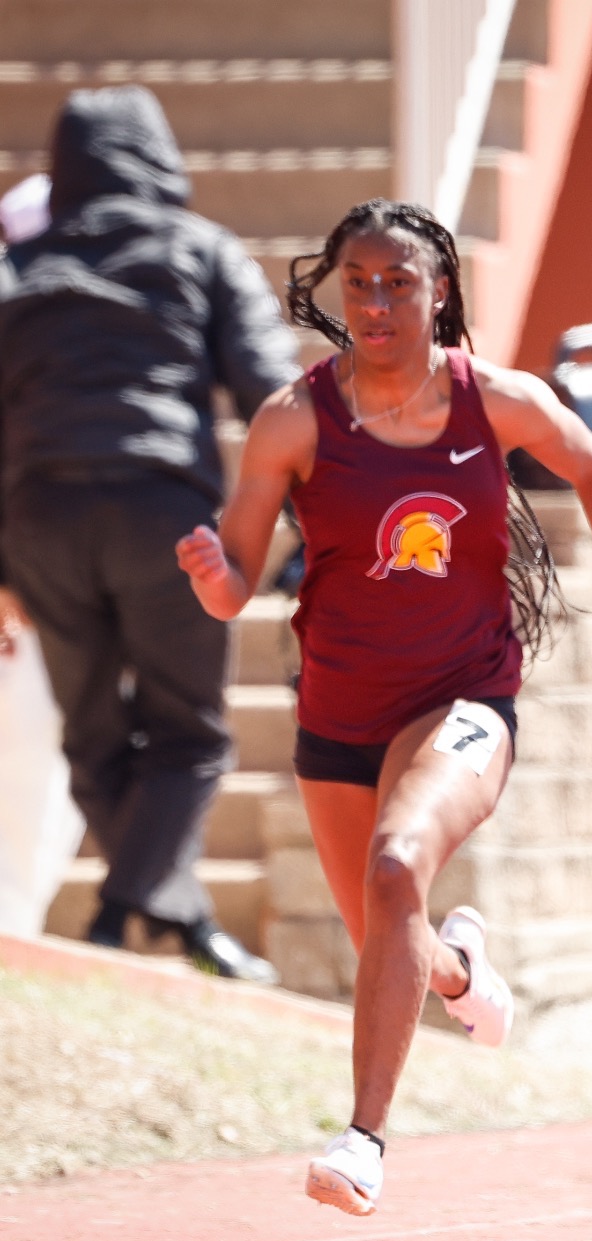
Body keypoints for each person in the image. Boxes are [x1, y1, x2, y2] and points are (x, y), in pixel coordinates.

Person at [176, 198, 592, 1217]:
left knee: (396, 865)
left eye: (398, 282)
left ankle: (362, 1139)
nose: (376, 301)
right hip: (338, 709)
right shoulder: (294, 420)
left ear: (440, 292)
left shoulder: (493, 401)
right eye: (360, 283)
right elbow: (235, 581)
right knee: (393, 936)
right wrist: (210, 571)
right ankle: (462, 971)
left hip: (463, 694)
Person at [0, 87, 299, 980]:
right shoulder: (201, 251)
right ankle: (117, 921)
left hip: (38, 523)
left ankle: (175, 916)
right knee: (193, 738)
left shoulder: (18, 271)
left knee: (94, 737)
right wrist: (316, 508)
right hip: (161, 516)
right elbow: (272, 390)